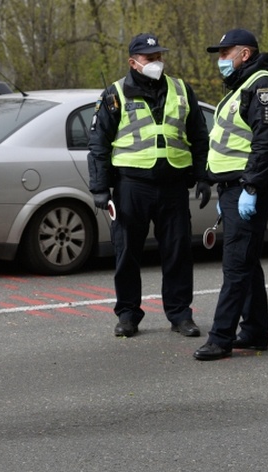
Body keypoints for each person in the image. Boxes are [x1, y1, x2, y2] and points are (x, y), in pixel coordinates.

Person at [87, 33, 210, 338]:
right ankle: (128, 315)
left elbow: (199, 136)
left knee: (178, 252)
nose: (157, 62)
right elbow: (98, 143)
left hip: (173, 186)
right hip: (131, 187)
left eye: (159, 56)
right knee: (126, 252)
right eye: (149, 58)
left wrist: (204, 177)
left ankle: (180, 314)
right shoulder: (114, 94)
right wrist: (100, 188)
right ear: (133, 62)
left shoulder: (181, 90)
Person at [194, 29, 268, 361]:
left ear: (244, 54)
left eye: (224, 53)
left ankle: (220, 338)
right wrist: (215, 180)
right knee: (247, 262)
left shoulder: (263, 87)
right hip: (235, 188)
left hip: (250, 188)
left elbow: (266, 143)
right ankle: (255, 331)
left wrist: (249, 187)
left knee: (236, 266)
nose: (220, 60)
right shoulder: (240, 89)